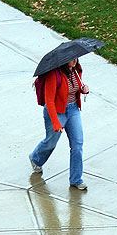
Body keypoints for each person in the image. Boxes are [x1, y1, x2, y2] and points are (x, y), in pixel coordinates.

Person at [29, 58, 89, 190]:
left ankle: (76, 180)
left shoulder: (77, 70)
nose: (75, 61)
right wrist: (56, 123)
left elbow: (75, 89)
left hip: (73, 110)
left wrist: (84, 90)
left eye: (76, 58)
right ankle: (35, 158)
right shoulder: (53, 74)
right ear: (64, 60)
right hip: (56, 112)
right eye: (71, 59)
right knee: (51, 142)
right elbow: (49, 101)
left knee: (78, 145)